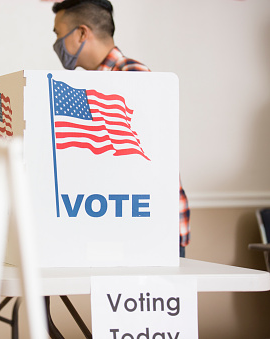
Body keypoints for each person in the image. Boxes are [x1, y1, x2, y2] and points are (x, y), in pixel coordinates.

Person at [52, 0, 190, 257]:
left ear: (82, 33)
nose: (57, 43)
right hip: (124, 224)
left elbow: (141, 160)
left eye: (58, 34)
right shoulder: (91, 84)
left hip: (151, 228)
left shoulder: (131, 74)